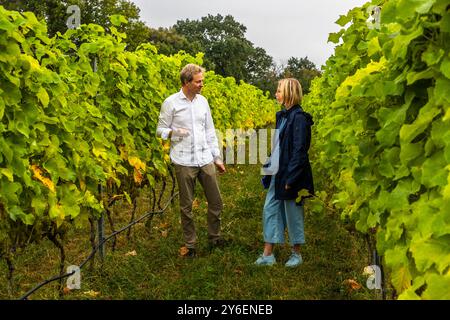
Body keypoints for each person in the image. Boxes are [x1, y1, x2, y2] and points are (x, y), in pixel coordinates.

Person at [156, 64, 226, 258]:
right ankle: (190, 244)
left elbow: (210, 131)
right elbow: (160, 131)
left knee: (216, 201)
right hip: (184, 160)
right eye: (198, 81)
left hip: (205, 158)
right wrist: (174, 132)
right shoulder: (171, 103)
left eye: (202, 80)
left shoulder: (203, 102)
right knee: (186, 206)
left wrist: (216, 157)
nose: (202, 84)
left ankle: (215, 237)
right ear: (187, 82)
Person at [255, 78, 314, 267]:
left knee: (292, 212)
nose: (276, 94)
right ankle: (268, 254)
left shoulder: (299, 118)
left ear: (289, 93)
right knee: (270, 209)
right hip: (277, 172)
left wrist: (292, 177)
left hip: (290, 174)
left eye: (279, 90)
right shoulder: (282, 116)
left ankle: (296, 254)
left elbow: (300, 151)